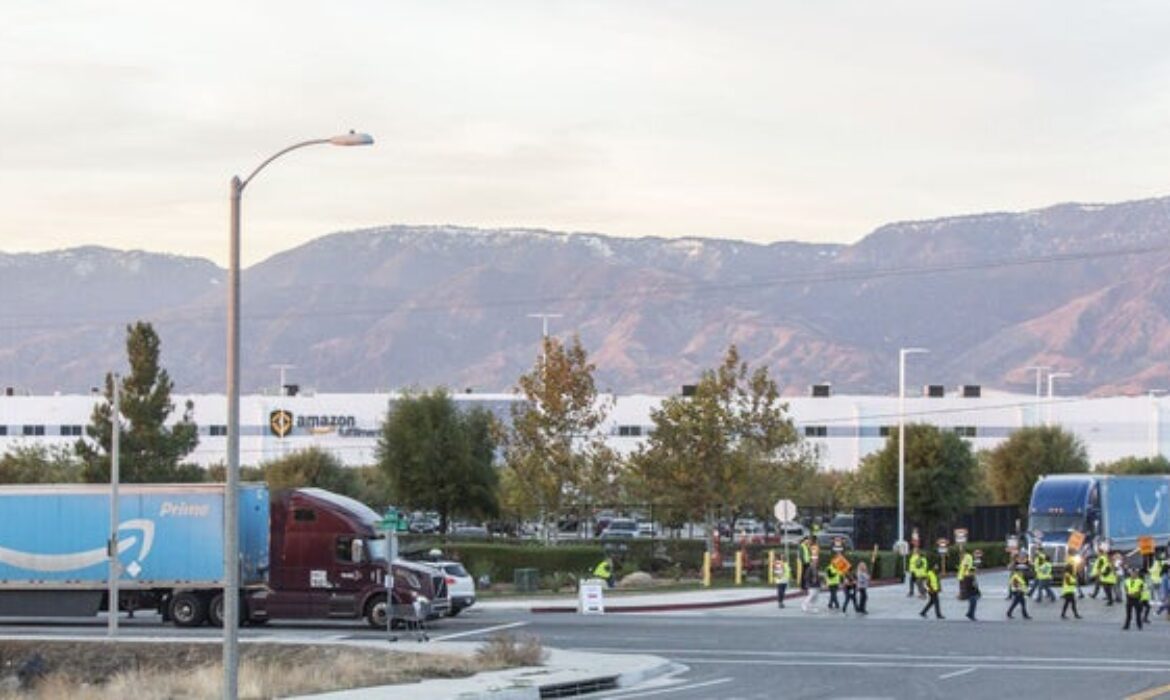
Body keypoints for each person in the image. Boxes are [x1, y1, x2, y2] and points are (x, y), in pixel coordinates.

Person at [960, 556, 980, 621]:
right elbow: (972, 586)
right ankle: (971, 615)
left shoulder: (972, 577)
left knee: (973, 604)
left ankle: (969, 614)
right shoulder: (969, 578)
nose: (975, 573)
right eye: (973, 572)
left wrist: (978, 592)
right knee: (973, 604)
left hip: (972, 592)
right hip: (971, 593)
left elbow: (976, 586)